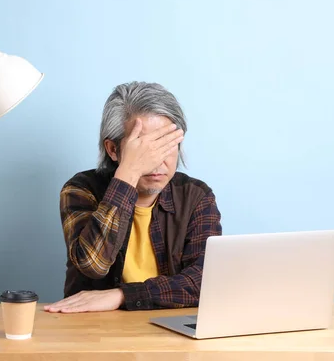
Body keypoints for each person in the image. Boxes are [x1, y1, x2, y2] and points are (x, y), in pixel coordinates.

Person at [44, 82, 222, 313]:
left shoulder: (196, 196)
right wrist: (129, 172)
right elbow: (92, 264)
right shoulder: (80, 189)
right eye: (144, 148)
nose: (157, 161)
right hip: (94, 331)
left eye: (166, 145)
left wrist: (122, 296)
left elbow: (206, 282)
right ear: (113, 149)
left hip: (169, 331)